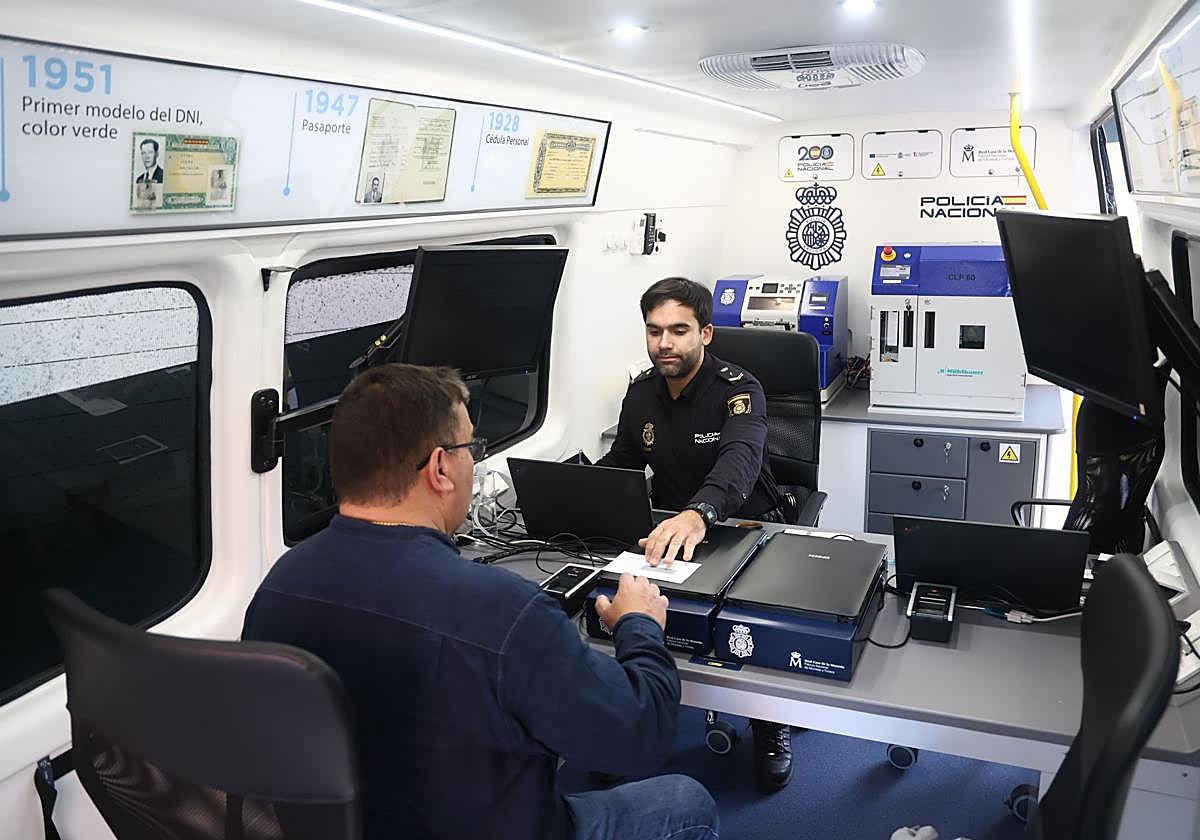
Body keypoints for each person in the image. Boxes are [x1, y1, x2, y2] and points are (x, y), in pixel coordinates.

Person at [242, 363, 718, 840]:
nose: (475, 460)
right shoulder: (504, 612)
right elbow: (641, 736)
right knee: (686, 801)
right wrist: (639, 624)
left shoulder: (278, 587)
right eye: (472, 448)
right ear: (440, 468)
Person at [596, 277, 797, 793]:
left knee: (755, 620)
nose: (665, 343)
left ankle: (769, 722)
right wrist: (579, 488)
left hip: (744, 526)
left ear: (705, 333)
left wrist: (699, 513)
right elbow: (621, 464)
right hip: (670, 528)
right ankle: (618, 722)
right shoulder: (641, 394)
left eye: (679, 331)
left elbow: (740, 462)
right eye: (655, 331)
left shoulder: (739, 390)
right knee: (599, 600)